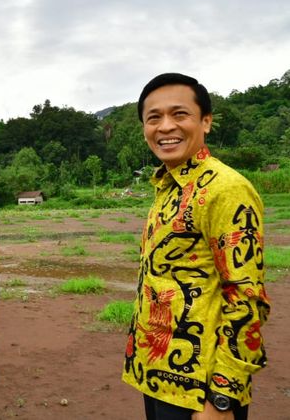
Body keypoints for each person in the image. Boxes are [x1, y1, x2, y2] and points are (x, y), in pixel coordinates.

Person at [122, 73, 270, 420]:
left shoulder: (225, 189)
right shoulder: (168, 185)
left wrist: (222, 396)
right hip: (156, 374)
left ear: (206, 121)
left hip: (200, 388)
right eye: (153, 117)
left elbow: (247, 298)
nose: (165, 126)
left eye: (180, 114)